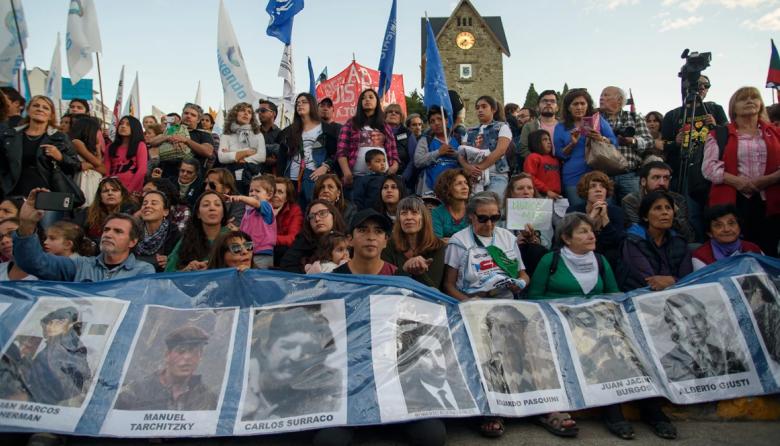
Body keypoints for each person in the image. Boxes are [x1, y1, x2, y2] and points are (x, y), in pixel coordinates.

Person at [702, 86, 780, 256]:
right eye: (743, 99)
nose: (750, 101)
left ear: (761, 104)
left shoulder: (775, 132)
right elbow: (709, 168)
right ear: (733, 107)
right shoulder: (720, 134)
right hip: (734, 201)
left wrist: (767, 180)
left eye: (754, 97)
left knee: (769, 249)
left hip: (770, 202)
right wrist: (739, 182)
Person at [477, 305, 576, 439]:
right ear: (491, 333)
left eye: (515, 327)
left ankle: (548, 411)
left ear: (523, 330)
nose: (508, 334)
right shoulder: (486, 369)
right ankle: (493, 415)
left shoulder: (545, 364)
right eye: (501, 328)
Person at [13, 189, 155, 281]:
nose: (108, 234)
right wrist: (26, 223)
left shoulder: (143, 271)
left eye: (118, 231)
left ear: (132, 242)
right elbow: (34, 263)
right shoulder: (79, 265)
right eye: (106, 230)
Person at [243, 305, 342, 420]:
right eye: (288, 346)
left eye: (309, 349)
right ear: (265, 348)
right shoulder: (240, 389)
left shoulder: (329, 393)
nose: (296, 357)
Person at [443, 192, 530, 301]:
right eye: (482, 218)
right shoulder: (459, 241)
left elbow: (523, 274)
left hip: (505, 300)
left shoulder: (508, 237)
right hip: (472, 301)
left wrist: (521, 283)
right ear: (471, 215)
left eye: (494, 218)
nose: (489, 224)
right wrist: (467, 302)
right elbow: (448, 285)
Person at [0, 306, 91, 406]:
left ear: (70, 325)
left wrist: (30, 398)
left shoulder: (69, 348)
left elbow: (67, 387)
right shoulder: (53, 347)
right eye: (49, 322)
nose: (50, 326)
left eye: (59, 322)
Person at [395, 323, 468, 445]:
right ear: (413, 361)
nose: (437, 363)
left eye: (439, 353)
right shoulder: (410, 397)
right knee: (431, 435)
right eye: (426, 354)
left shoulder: (462, 391)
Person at [115, 325, 218, 411]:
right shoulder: (135, 392)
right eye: (181, 351)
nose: (187, 358)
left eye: (194, 352)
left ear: (200, 357)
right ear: (167, 355)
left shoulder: (207, 398)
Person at [0, 96, 81, 203]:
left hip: (49, 197)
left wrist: (60, 157)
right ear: (28, 110)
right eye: (36, 106)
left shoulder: (59, 138)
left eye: (45, 108)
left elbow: (76, 165)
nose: (40, 109)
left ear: (51, 115)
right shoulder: (10, 136)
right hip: (14, 195)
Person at [660, 293, 748, 382]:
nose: (692, 325)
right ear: (673, 326)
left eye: (697, 318)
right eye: (683, 320)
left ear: (705, 321)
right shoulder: (665, 365)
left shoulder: (729, 357)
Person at [528, 213, 619, 298]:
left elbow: (614, 295)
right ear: (566, 238)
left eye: (592, 231)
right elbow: (534, 297)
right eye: (583, 232)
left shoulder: (600, 260)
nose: (592, 236)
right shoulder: (550, 260)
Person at [554, 89, 618, 207]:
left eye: (582, 103)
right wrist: (572, 143)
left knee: (602, 210)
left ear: (588, 105)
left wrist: (600, 138)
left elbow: (614, 142)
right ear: (568, 107)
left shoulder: (598, 121)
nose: (579, 107)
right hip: (573, 177)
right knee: (579, 213)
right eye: (575, 104)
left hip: (598, 172)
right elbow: (559, 154)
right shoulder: (560, 127)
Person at [619, 190, 693, 291]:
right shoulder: (633, 241)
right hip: (640, 296)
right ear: (645, 216)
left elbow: (688, 279)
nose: (665, 212)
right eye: (658, 208)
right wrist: (675, 280)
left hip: (676, 295)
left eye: (668, 208)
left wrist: (672, 281)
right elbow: (649, 282)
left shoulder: (680, 242)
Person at [279, 93, 339, 210]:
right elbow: (282, 158)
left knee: (312, 212)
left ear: (312, 105)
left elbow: (337, 153)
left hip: (314, 179)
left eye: (304, 102)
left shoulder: (327, 129)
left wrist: (326, 166)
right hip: (291, 180)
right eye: (298, 103)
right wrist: (280, 180)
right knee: (291, 216)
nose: (300, 105)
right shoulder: (289, 131)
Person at [336, 88, 400, 189]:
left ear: (377, 102)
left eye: (371, 97)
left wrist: (394, 167)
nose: (367, 100)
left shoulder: (385, 126)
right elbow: (341, 151)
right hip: (357, 178)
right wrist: (346, 172)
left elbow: (394, 151)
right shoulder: (351, 124)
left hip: (382, 178)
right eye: (364, 98)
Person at [599, 86, 654, 203]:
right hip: (604, 176)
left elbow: (649, 141)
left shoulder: (634, 118)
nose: (601, 98)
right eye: (601, 95)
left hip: (629, 175)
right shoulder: (596, 120)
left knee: (633, 211)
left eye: (606, 95)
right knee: (605, 212)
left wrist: (633, 141)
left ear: (619, 100)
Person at [382, 196, 447, 288]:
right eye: (404, 213)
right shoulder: (389, 245)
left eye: (414, 213)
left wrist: (418, 271)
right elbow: (385, 284)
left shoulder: (437, 246)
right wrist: (405, 269)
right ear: (399, 219)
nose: (409, 217)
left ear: (424, 218)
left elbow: (433, 287)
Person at [622, 161, 694, 242]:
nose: (662, 183)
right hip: (644, 245)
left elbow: (689, 237)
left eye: (666, 178)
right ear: (643, 181)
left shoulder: (678, 199)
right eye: (656, 177)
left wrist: (675, 211)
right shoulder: (631, 201)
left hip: (672, 243)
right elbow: (635, 233)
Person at [566, 171, 626, 266]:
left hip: (607, 259)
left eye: (602, 186)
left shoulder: (616, 211)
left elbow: (617, 242)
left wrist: (605, 218)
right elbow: (570, 240)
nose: (598, 189)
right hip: (580, 255)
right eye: (593, 186)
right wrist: (590, 218)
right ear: (585, 191)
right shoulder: (573, 211)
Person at [460, 96, 513, 199]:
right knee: (474, 209)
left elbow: (500, 150)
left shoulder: (502, 127)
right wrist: (469, 168)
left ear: (493, 109)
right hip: (474, 177)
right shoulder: (469, 131)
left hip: (496, 175)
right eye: (477, 107)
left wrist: (479, 167)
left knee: (493, 206)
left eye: (484, 107)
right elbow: (461, 154)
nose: (480, 110)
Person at [500, 174, 551, 276]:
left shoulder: (543, 214)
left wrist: (535, 240)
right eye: (520, 188)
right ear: (511, 193)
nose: (526, 192)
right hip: (510, 260)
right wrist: (514, 243)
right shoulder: (500, 217)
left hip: (537, 258)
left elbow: (548, 244)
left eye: (530, 188)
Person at [166, 191, 228, 272]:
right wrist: (187, 270)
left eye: (217, 205)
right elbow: (169, 272)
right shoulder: (188, 239)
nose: (212, 208)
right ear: (198, 214)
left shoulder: (233, 236)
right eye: (206, 205)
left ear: (223, 213)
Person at [279, 200, 346, 273]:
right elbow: (287, 265)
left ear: (333, 216)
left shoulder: (346, 239)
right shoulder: (303, 240)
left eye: (322, 213)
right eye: (312, 216)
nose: (317, 219)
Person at [151, 103, 215, 178]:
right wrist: (168, 137)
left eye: (193, 115)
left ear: (198, 120)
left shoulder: (203, 134)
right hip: (166, 175)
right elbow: (153, 142)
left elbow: (208, 152)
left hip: (191, 179)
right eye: (186, 113)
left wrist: (186, 140)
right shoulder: (173, 129)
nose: (188, 116)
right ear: (182, 115)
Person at [692, 204, 763, 270]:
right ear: (709, 233)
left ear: (739, 227)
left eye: (731, 223)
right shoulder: (701, 256)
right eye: (718, 225)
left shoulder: (753, 248)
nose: (727, 229)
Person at [333, 208, 398, 275]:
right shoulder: (334, 278)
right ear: (350, 239)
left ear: (385, 241)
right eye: (362, 230)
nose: (371, 237)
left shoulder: (398, 278)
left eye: (378, 231)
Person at [218, 102, 266, 191]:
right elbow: (222, 157)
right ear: (235, 113)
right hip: (230, 177)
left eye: (249, 112)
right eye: (242, 110)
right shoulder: (226, 135)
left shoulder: (257, 134)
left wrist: (236, 156)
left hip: (252, 176)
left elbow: (261, 156)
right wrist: (246, 152)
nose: (246, 113)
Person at [232, 174, 276, 268]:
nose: (252, 193)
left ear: (269, 194)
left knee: (261, 280)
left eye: (257, 191)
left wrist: (241, 198)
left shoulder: (266, 206)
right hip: (248, 252)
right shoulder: (248, 210)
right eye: (251, 190)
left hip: (262, 253)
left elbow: (256, 203)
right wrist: (236, 229)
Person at [414, 107, 460, 195]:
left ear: (446, 121)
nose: (437, 123)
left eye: (439, 119)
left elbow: (467, 160)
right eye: (432, 121)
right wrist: (438, 152)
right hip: (430, 188)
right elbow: (418, 161)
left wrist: (455, 154)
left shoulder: (458, 138)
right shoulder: (426, 140)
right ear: (430, 125)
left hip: (455, 188)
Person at [78, 177, 139, 242]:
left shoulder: (131, 210)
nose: (110, 193)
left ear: (122, 195)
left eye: (114, 190)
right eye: (105, 191)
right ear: (100, 197)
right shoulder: (88, 212)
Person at [134, 190, 181, 272]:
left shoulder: (174, 234)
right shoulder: (133, 231)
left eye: (154, 203)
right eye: (144, 203)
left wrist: (171, 261)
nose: (147, 206)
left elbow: (181, 260)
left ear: (165, 212)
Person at [68, 115, 106, 207]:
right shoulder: (77, 142)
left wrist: (97, 148)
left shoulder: (90, 147)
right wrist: (93, 164)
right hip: (83, 180)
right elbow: (97, 163)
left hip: (93, 180)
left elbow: (103, 169)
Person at [104, 115, 148, 195]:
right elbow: (106, 170)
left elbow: (142, 170)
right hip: (112, 188)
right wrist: (107, 187)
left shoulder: (140, 145)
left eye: (128, 124)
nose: (123, 126)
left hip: (132, 190)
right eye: (121, 123)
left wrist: (128, 190)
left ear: (135, 128)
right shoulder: (110, 147)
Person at [384, 103, 418, 190]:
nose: (393, 113)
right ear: (385, 115)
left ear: (401, 117)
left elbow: (414, 159)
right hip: (381, 179)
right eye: (390, 111)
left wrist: (404, 178)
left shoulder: (408, 134)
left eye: (397, 112)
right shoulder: (378, 132)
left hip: (403, 181)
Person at [520, 90, 560, 161]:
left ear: (557, 108)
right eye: (545, 101)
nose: (548, 103)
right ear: (537, 107)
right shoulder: (529, 127)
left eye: (552, 101)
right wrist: (541, 161)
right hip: (539, 168)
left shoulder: (565, 126)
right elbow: (523, 149)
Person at [431, 168, 471, 240]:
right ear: (447, 188)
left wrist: (448, 240)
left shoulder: (474, 211)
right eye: (459, 184)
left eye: (466, 183)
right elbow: (436, 242)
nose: (465, 187)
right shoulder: (437, 213)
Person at [271, 177, 303, 264]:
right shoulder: (261, 208)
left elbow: (293, 238)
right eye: (273, 191)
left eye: (280, 192)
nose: (275, 195)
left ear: (287, 197)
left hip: (283, 251)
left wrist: (269, 239)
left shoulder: (295, 210)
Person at [523, 129, 562, 199]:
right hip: (540, 195)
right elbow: (530, 177)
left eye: (549, 139)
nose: (549, 142)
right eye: (545, 140)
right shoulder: (533, 157)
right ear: (536, 142)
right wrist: (546, 190)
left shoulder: (555, 159)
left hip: (555, 195)